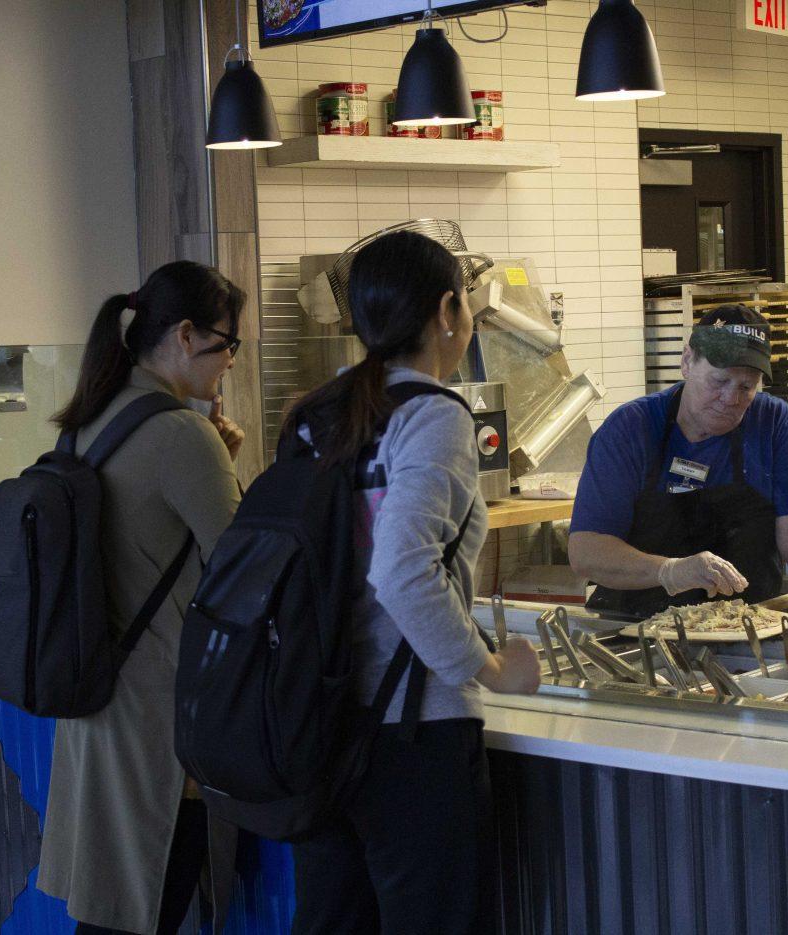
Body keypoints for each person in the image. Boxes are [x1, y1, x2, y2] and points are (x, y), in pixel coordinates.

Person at [283, 230, 541, 935]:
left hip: (321, 721)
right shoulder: (431, 415)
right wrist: (487, 668)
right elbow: (402, 571)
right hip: (410, 734)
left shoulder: (320, 414)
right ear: (448, 311)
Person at [37, 261, 247, 935]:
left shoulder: (85, 421)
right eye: (226, 346)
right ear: (185, 335)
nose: (230, 365)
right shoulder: (182, 436)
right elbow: (246, 570)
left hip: (94, 704)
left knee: (110, 914)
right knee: (142, 909)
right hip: (159, 727)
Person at [569, 304, 788, 630]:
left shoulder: (772, 422)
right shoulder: (631, 429)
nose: (731, 398)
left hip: (746, 630)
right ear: (687, 362)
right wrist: (670, 571)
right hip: (637, 631)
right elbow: (586, 550)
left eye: (746, 387)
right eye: (719, 380)